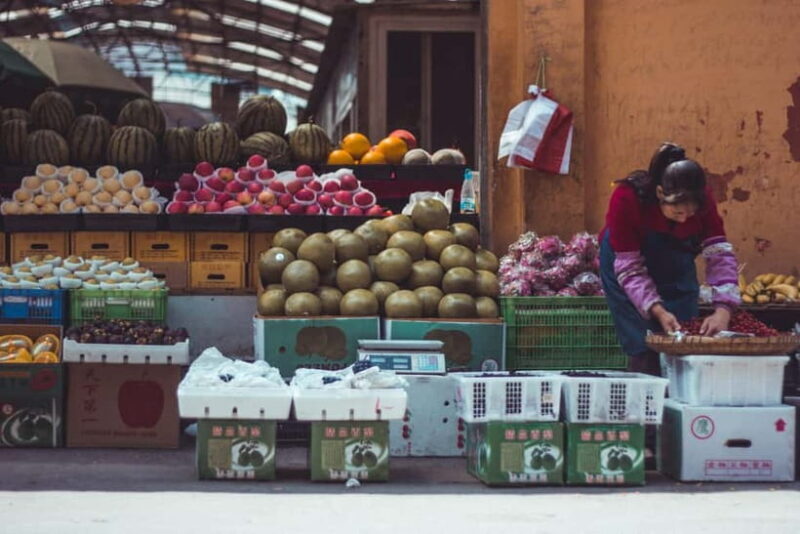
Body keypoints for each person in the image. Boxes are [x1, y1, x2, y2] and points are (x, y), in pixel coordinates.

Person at [599, 142, 741, 375]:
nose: (685, 219)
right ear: (659, 194)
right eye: (677, 212)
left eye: (691, 214)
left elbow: (719, 255)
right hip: (626, 262)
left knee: (683, 339)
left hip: (676, 257)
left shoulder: (702, 198)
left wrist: (723, 309)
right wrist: (658, 311)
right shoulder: (626, 199)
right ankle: (645, 385)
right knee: (642, 342)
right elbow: (630, 267)